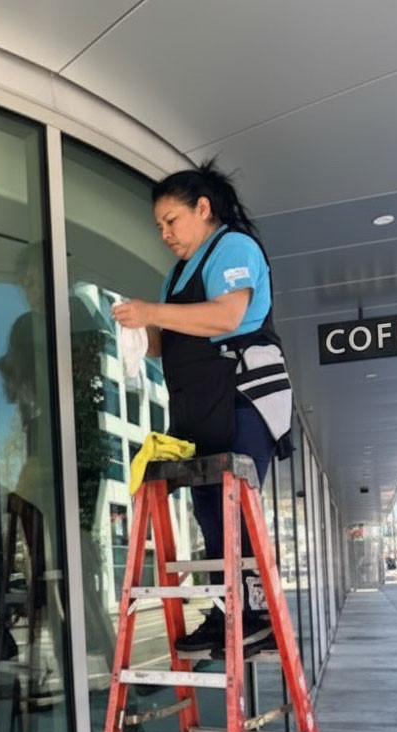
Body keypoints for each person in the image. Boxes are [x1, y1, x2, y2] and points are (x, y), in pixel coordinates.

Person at [112, 159, 292, 657]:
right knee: (211, 515)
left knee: (236, 509)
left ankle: (253, 614)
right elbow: (167, 343)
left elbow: (228, 314)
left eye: (172, 220)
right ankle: (225, 610)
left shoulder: (232, 246)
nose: (165, 233)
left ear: (204, 208)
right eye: (159, 226)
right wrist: (140, 330)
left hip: (243, 397)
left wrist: (154, 312)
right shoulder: (176, 275)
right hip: (199, 410)